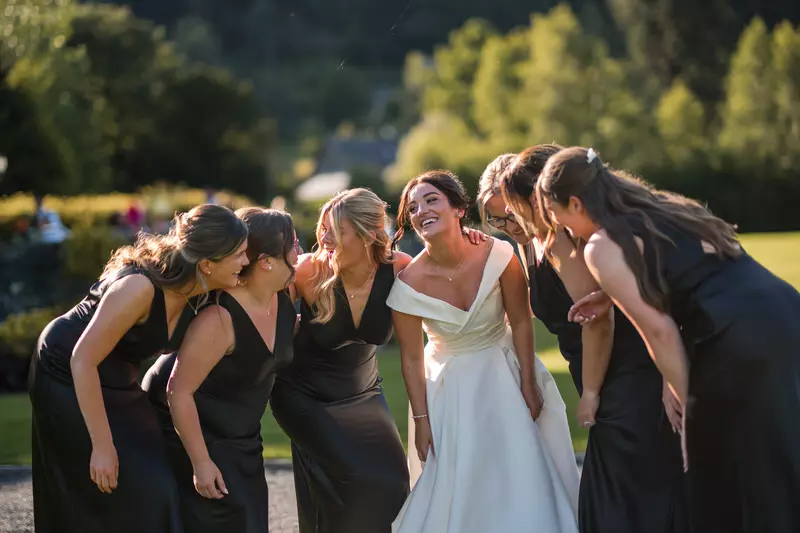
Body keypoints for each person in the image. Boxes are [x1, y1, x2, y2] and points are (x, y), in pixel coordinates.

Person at [538, 146, 800, 533]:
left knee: (731, 471)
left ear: (575, 203)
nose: (558, 226)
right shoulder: (665, 207)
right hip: (781, 311)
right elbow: (695, 265)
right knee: (780, 450)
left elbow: (659, 331)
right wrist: (610, 294)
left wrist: (690, 408)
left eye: (554, 214)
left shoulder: (600, 245)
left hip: (731, 336)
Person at [482, 146, 688, 533]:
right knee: (632, 494)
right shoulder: (532, 242)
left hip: (625, 375)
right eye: (494, 220)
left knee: (623, 498)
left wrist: (592, 394)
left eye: (510, 213)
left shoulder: (561, 240)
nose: (507, 225)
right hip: (603, 373)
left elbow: (598, 321)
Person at [28, 204, 249, 533]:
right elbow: (83, 359)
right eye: (239, 255)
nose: (245, 263)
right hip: (66, 372)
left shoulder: (204, 294)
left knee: (156, 482)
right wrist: (102, 446)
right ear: (207, 263)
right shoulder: (139, 289)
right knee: (111, 482)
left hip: (119, 381)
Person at [387, 170, 579, 533]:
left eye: (431, 200)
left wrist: (527, 381)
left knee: (521, 470)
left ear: (459, 209)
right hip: (451, 389)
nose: (421, 210)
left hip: (504, 372)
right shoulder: (407, 286)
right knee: (462, 482)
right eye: (412, 208)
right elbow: (411, 358)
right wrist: (421, 422)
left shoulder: (498, 254)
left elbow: (521, 321)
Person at [142, 208, 300, 533]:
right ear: (267, 261)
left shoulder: (282, 300)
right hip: (202, 443)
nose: (301, 253)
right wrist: (201, 464)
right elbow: (178, 391)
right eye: (294, 245)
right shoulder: (218, 318)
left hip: (245, 443)